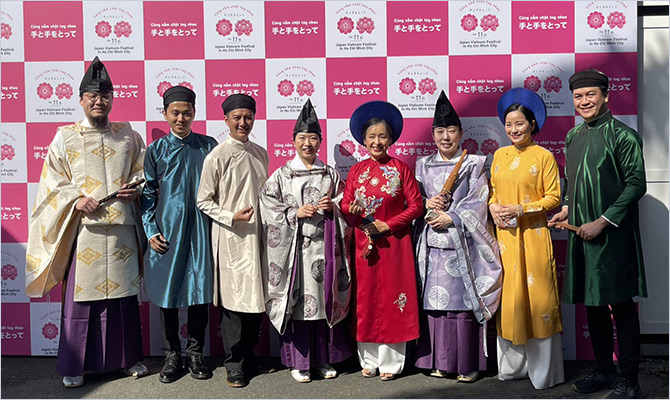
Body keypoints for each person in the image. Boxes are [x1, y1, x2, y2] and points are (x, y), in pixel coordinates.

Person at [24, 57, 148, 387]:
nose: (99, 101)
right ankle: (75, 366)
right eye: (92, 96)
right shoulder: (65, 137)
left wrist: (135, 190)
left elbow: (142, 172)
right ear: (81, 99)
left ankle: (128, 360)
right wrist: (76, 199)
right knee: (82, 300)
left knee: (123, 299)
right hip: (85, 230)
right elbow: (51, 182)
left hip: (121, 229)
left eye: (105, 95)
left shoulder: (128, 135)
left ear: (112, 99)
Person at [548, 69, 647, 399]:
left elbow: (636, 185)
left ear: (605, 96)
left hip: (613, 237)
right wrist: (566, 207)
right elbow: (571, 181)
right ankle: (604, 370)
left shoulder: (624, 136)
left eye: (591, 94)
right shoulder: (573, 136)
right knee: (593, 304)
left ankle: (629, 380)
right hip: (581, 234)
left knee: (621, 306)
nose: (584, 101)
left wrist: (603, 221)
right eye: (578, 96)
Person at [259, 99, 354, 383]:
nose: (308, 144)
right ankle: (299, 363)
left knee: (325, 302)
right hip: (295, 251)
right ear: (293, 141)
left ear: (320, 142)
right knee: (298, 305)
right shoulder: (282, 174)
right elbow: (267, 205)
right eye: (302, 138)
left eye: (313, 138)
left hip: (325, 248)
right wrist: (294, 213)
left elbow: (345, 202)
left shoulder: (330, 173)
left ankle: (323, 359)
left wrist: (332, 206)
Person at [414, 91, 503, 382]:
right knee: (436, 305)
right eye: (440, 131)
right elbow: (414, 201)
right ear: (432, 135)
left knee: (464, 305)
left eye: (451, 131)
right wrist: (426, 204)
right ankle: (440, 362)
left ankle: (468, 364)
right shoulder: (422, 165)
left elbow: (479, 200)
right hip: (432, 245)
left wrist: (452, 216)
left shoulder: (474, 163)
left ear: (461, 133)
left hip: (464, 245)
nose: (446, 137)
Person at [341, 101, 423, 381]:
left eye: (382, 136)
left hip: (394, 245)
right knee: (366, 299)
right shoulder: (356, 171)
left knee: (393, 298)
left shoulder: (401, 169)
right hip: (364, 245)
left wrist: (388, 225)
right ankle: (368, 358)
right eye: (371, 137)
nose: (377, 142)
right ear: (363, 140)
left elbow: (416, 207)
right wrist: (351, 208)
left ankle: (392, 361)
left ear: (391, 139)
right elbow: (346, 204)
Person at [140, 86, 218, 383]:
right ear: (165, 114)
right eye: (175, 113)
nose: (181, 118)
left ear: (194, 113)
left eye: (186, 113)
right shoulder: (156, 150)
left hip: (201, 231)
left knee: (199, 293)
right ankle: (171, 355)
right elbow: (148, 195)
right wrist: (151, 231)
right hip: (167, 233)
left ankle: (196, 354)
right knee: (167, 293)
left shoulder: (208, 146)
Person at [489, 88, 564, 389]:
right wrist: (493, 206)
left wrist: (522, 208)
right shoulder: (499, 155)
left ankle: (544, 373)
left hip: (533, 237)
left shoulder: (544, 156)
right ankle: (512, 368)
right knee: (511, 300)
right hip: (505, 239)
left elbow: (554, 198)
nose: (514, 130)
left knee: (539, 300)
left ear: (532, 124)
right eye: (509, 124)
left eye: (519, 123)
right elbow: (493, 191)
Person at [196, 93, 271, 388]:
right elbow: (203, 200)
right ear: (226, 120)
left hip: (258, 237)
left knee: (254, 298)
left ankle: (250, 356)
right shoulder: (217, 156)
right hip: (231, 238)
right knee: (234, 303)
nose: (243, 122)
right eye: (237, 117)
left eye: (247, 117)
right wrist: (230, 216)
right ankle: (234, 363)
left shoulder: (261, 153)